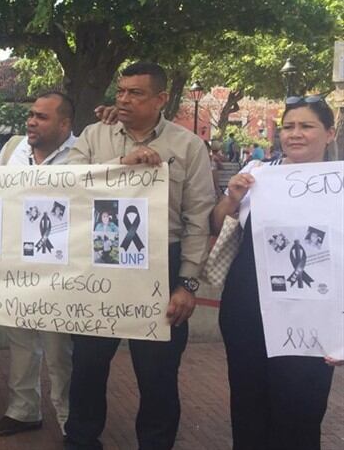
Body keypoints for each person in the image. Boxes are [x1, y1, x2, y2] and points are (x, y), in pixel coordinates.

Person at [64, 61, 215, 450]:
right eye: (121, 91)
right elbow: (65, 187)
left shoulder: (188, 146)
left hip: (162, 265)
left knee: (158, 375)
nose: (125, 99)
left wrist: (187, 283)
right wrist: (119, 167)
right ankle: (81, 441)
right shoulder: (94, 138)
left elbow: (198, 219)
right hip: (101, 262)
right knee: (87, 367)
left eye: (137, 92)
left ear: (161, 99)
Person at [212, 96, 341, 450]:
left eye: (306, 126)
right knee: (249, 406)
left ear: (329, 133)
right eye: (288, 126)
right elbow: (217, 222)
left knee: (301, 411)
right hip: (248, 309)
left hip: (311, 316)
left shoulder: (339, 185)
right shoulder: (256, 175)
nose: (294, 134)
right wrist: (232, 198)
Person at [0, 91, 76, 437]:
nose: (31, 121)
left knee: (58, 350)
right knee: (21, 342)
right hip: (17, 265)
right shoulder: (13, 150)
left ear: (65, 123)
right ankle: (23, 410)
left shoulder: (84, 154)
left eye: (42, 116)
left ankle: (71, 422)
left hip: (60, 269)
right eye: (31, 115)